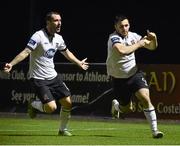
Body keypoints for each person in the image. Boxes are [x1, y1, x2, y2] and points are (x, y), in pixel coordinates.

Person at [3, 11, 89, 136]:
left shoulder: (59, 38)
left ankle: (62, 130)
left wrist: (78, 63)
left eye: (60, 20)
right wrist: (11, 64)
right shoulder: (38, 36)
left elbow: (67, 52)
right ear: (48, 22)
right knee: (51, 108)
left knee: (68, 103)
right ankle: (33, 104)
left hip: (53, 77)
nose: (59, 23)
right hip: (38, 78)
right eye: (56, 20)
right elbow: (26, 52)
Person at [106, 14, 164, 138]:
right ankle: (117, 106)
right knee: (127, 109)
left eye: (126, 25)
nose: (124, 28)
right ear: (115, 26)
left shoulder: (134, 36)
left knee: (145, 98)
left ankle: (155, 131)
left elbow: (152, 47)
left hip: (134, 74)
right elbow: (123, 51)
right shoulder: (113, 38)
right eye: (121, 26)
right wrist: (140, 43)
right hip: (119, 79)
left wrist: (154, 38)